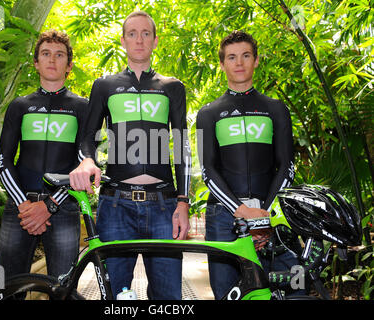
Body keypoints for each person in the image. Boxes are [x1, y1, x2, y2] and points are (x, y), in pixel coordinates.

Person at [69, 11, 191, 300]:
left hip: (163, 206)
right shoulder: (104, 86)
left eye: (146, 33)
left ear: (155, 40)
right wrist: (88, 160)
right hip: (115, 207)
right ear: (123, 40)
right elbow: (87, 137)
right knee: (115, 296)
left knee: (169, 298)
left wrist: (183, 202)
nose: (139, 39)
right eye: (132, 33)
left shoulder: (173, 87)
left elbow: (182, 144)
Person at [196, 30, 301, 299]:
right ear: (222, 65)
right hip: (223, 217)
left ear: (255, 61)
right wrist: (242, 210)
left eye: (245, 56)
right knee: (227, 294)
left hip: (270, 214)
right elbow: (207, 171)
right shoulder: (208, 113)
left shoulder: (276, 108)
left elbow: (286, 165)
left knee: (293, 287)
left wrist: (264, 214)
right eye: (231, 57)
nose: (239, 62)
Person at [0, 29, 88, 280]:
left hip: (63, 207)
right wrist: (25, 206)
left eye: (59, 55)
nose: (52, 59)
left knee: (64, 288)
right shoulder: (19, 105)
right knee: (4, 286)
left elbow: (83, 165)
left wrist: (49, 205)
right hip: (19, 208)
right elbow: (3, 161)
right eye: (45, 54)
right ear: (36, 63)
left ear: (69, 65)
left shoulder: (82, 107)